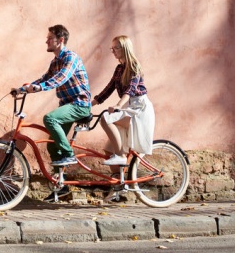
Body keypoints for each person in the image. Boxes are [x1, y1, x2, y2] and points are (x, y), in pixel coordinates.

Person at [14, 25, 91, 200]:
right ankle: (62, 186)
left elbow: (61, 78)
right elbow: (45, 78)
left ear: (60, 40)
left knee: (50, 118)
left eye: (50, 38)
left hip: (80, 104)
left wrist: (40, 87)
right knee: (52, 144)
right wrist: (23, 89)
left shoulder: (71, 57)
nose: (46, 41)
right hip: (67, 105)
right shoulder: (55, 62)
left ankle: (69, 154)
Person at [92, 35, 155, 166]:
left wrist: (118, 105)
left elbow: (131, 90)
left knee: (105, 118)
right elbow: (108, 89)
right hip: (130, 106)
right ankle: (118, 176)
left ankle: (120, 156)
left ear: (125, 48)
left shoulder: (134, 66)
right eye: (112, 48)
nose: (113, 51)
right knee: (109, 150)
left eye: (116, 48)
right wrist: (89, 104)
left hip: (140, 109)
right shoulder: (119, 68)